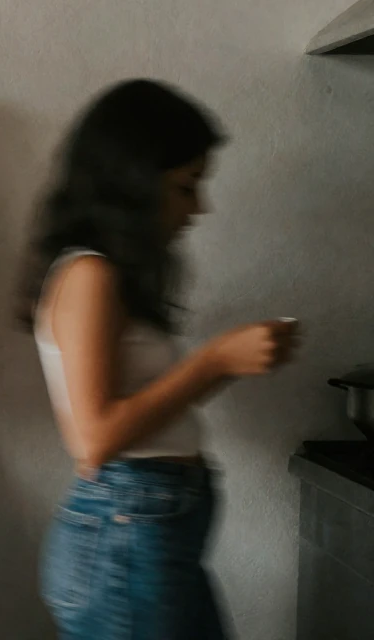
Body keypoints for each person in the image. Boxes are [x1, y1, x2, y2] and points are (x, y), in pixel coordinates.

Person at [19, 79, 300, 639]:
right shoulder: (89, 275)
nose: (199, 207)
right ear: (132, 182)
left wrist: (231, 362)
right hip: (127, 535)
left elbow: (146, 412)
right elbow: (94, 439)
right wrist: (216, 361)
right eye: (186, 186)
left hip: (144, 532)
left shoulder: (109, 276)